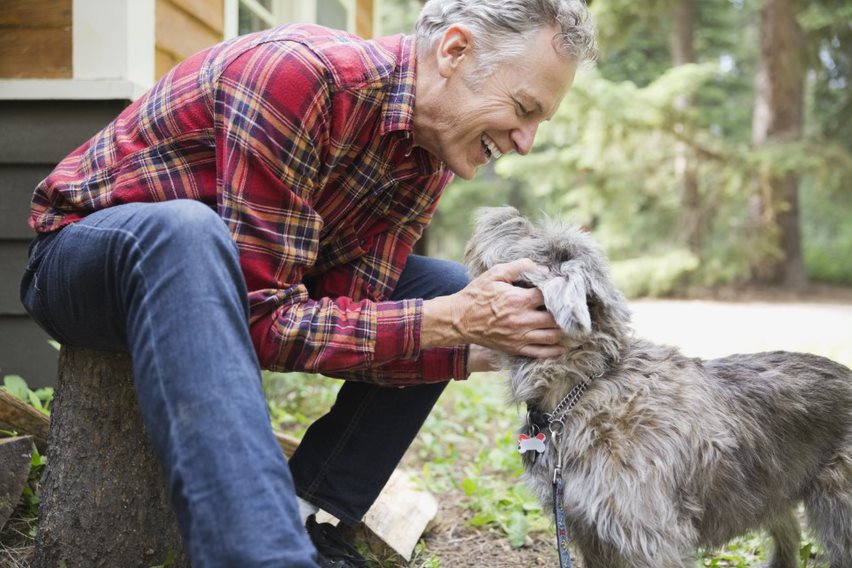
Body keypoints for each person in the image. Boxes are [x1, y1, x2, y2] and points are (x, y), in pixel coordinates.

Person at [20, 0, 596, 566]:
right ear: (454, 50)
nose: (525, 141)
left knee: (441, 289)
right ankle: (261, 557)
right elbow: (259, 320)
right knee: (188, 234)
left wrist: (470, 342)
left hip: (243, 281)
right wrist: (450, 323)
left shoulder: (428, 153)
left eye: (538, 122)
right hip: (89, 261)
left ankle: (305, 520)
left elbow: (348, 317)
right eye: (523, 108)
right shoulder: (298, 74)